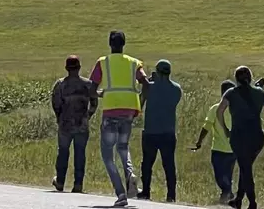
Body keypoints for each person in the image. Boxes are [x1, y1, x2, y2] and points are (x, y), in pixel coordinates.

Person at [90, 31, 152, 207]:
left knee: (108, 155)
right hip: (129, 111)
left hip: (111, 110)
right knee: (123, 147)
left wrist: (103, 93)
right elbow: (146, 84)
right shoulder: (134, 63)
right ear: (124, 44)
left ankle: (121, 193)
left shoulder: (103, 62)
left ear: (110, 44)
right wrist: (140, 102)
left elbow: (91, 89)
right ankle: (130, 173)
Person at [217, 66, 264, 209]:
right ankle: (238, 199)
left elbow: (220, 111)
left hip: (239, 137)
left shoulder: (230, 93)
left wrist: (225, 129)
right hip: (257, 137)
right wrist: (261, 92)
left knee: (245, 168)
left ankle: (252, 202)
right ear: (250, 78)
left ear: (236, 79)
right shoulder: (259, 92)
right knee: (246, 167)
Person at [51, 55, 98, 193]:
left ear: (66, 68)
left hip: (65, 124)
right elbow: (94, 103)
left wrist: (59, 117)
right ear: (79, 68)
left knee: (63, 152)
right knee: (80, 154)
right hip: (82, 124)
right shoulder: (88, 84)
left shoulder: (60, 84)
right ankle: (78, 184)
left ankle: (60, 181)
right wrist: (87, 116)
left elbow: (56, 104)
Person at [138, 60, 182, 202]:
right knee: (169, 165)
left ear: (157, 71)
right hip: (168, 132)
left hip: (151, 131)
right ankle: (171, 195)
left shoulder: (149, 88)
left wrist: (149, 83)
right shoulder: (177, 89)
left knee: (147, 164)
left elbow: (140, 103)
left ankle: (145, 192)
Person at [192, 80, 237, 203]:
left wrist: (199, 141)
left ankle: (227, 193)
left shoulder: (216, 108)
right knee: (227, 175)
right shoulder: (237, 110)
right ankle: (228, 194)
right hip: (232, 149)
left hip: (219, 149)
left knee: (220, 175)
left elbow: (206, 127)